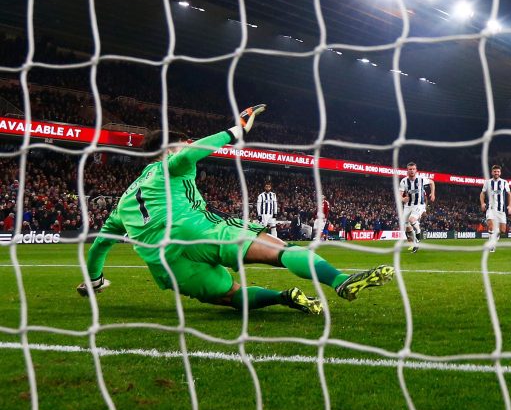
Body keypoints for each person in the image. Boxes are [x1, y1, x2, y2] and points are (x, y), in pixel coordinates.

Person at [77, 105, 394, 315]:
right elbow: (187, 157)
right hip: (195, 230)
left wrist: (94, 281)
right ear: (169, 149)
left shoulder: (122, 204)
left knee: (230, 296)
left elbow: (98, 248)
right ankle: (339, 280)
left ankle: (283, 298)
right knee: (281, 252)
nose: (188, 144)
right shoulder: (170, 166)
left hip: (168, 265)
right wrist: (237, 129)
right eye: (183, 142)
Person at [399, 162, 435, 253]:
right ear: (407, 170)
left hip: (419, 204)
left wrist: (432, 193)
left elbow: (432, 182)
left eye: (413, 169)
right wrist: (403, 199)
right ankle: (412, 243)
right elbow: (399, 195)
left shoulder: (421, 179)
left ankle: (418, 236)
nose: (412, 171)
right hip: (408, 206)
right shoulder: (403, 181)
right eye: (410, 169)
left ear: (416, 170)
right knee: (406, 226)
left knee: (412, 220)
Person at [480, 165, 511, 252]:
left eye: (498, 171)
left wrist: (510, 206)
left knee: (502, 230)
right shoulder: (487, 182)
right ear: (492, 172)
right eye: (495, 171)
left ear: (500, 173)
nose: (496, 173)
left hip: (501, 210)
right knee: (490, 225)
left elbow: (509, 194)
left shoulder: (504, 182)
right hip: (490, 208)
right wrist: (482, 203)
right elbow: (482, 193)